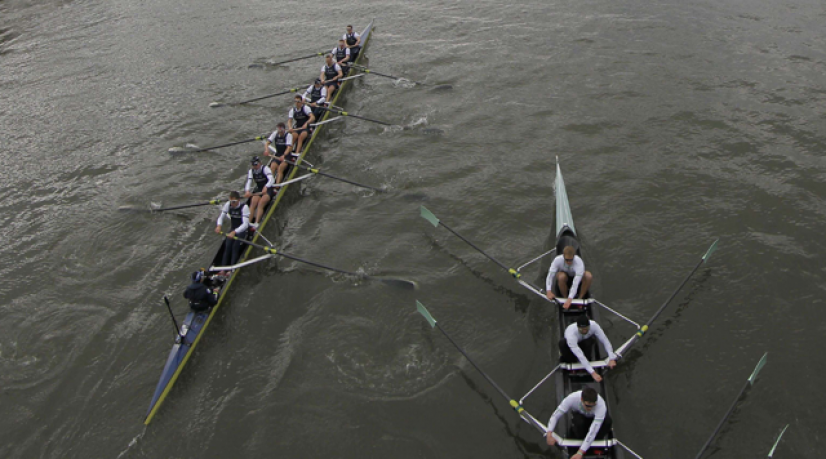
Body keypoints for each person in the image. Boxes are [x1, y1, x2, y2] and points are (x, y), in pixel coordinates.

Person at [545, 387, 613, 459]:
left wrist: (580, 452)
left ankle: (596, 442)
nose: (590, 408)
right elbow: (555, 416)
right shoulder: (572, 398)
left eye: (592, 406)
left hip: (594, 419)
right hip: (580, 417)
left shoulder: (601, 405)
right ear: (581, 399)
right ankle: (580, 439)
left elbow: (593, 431)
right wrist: (549, 433)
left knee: (608, 422)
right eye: (587, 405)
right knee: (579, 422)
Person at [560, 315, 617, 382]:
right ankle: (571, 362)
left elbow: (605, 340)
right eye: (582, 329)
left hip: (584, 343)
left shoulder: (594, 325)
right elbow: (580, 355)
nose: (584, 331)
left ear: (589, 325)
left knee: (590, 341)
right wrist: (593, 373)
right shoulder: (571, 334)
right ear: (578, 327)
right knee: (562, 343)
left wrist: (611, 358)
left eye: (586, 328)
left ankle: (587, 361)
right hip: (572, 347)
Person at [214, 190, 250, 274]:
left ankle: (231, 270)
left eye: (234, 202)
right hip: (233, 229)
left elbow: (245, 225)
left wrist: (235, 232)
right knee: (227, 247)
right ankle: (223, 269)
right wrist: (219, 225)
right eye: (231, 201)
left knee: (235, 247)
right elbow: (221, 217)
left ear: (238, 200)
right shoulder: (228, 205)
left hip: (242, 230)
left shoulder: (244, 207)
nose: (232, 204)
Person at [244, 156, 275, 228]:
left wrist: (266, 186)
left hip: (268, 189)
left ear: (260, 163)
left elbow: (272, 179)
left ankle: (256, 223)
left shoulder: (265, 168)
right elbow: (249, 182)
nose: (255, 167)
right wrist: (247, 191)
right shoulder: (251, 171)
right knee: (253, 203)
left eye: (256, 164)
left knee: (261, 203)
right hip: (259, 189)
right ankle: (247, 224)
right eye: (254, 165)